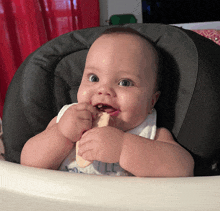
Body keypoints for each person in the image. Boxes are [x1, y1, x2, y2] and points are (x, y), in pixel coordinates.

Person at [20, 27, 194, 177]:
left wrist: (123, 148)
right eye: (94, 78)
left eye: (125, 82)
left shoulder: (150, 134)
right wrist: (61, 134)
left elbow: (183, 168)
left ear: (151, 102)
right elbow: (28, 164)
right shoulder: (65, 120)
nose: (103, 90)